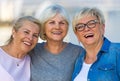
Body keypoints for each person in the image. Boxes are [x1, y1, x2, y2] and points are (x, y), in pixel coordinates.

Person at [30, 4, 83, 81]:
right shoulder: (32, 50)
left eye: (62, 23)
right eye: (52, 22)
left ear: (67, 27)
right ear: (43, 27)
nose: (57, 27)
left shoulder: (78, 52)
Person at [72, 7, 120, 81]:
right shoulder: (78, 61)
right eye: (80, 26)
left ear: (102, 28)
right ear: (77, 35)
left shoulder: (117, 52)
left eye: (91, 23)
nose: (86, 29)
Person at [0, 16, 41, 81]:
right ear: (14, 32)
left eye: (35, 35)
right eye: (26, 32)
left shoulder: (31, 60)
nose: (30, 38)